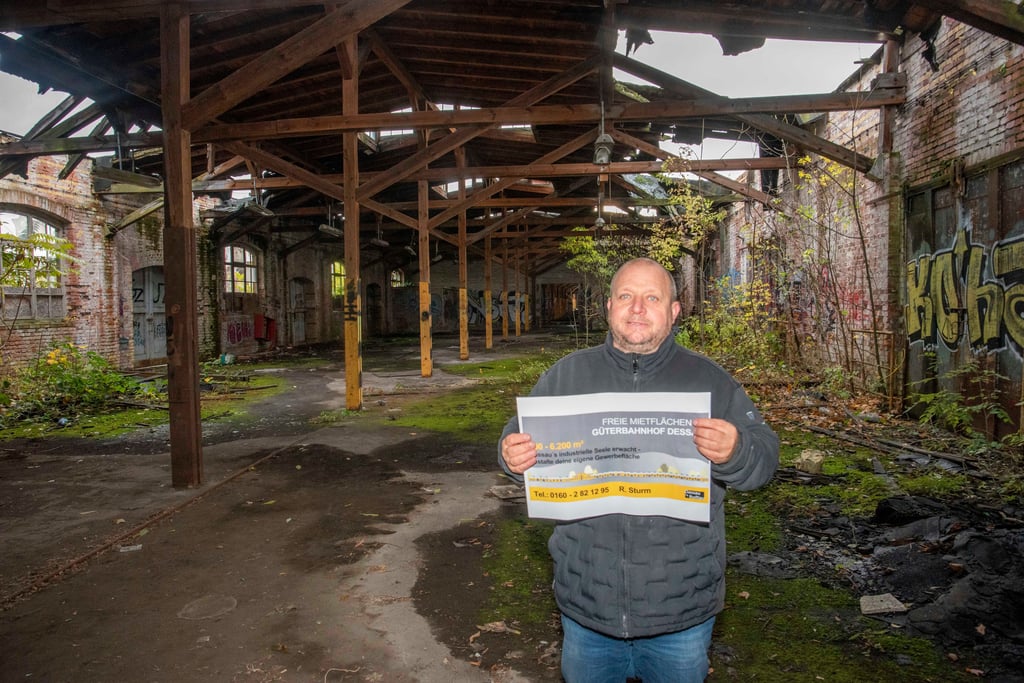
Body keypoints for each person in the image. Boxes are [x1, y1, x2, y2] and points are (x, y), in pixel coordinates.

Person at [498, 258, 779, 683]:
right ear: (608, 306)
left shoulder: (710, 382)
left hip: (680, 609)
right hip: (587, 606)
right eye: (626, 296)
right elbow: (517, 439)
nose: (637, 308)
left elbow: (764, 459)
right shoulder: (567, 376)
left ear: (674, 311)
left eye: (652, 298)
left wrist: (737, 450)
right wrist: (511, 457)